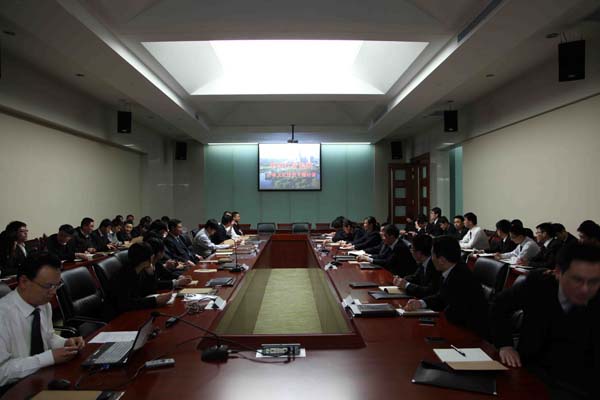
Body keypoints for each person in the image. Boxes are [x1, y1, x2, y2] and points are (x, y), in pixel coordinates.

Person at [490, 243, 600, 400]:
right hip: (532, 366)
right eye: (577, 280)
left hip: (579, 382)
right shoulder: (539, 284)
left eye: (594, 281)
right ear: (558, 272)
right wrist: (505, 345)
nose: (585, 289)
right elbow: (499, 306)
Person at [0, 253, 85, 388]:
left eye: (56, 285)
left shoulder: (44, 305)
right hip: (13, 389)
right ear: (24, 282)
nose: (53, 292)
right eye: (48, 286)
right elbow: (2, 372)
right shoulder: (3, 315)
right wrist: (48, 358)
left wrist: (65, 343)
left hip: (42, 378)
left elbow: (48, 337)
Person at [405, 236, 489, 337]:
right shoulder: (452, 270)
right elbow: (441, 296)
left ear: (442, 260)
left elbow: (453, 312)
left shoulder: (460, 278)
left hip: (468, 333)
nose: (431, 258)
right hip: (457, 325)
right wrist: (421, 303)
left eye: (432, 255)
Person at [103, 242, 172, 320]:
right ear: (148, 259)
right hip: (118, 318)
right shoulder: (124, 275)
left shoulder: (140, 270)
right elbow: (126, 304)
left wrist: (151, 274)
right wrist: (155, 301)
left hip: (134, 312)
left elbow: (149, 291)